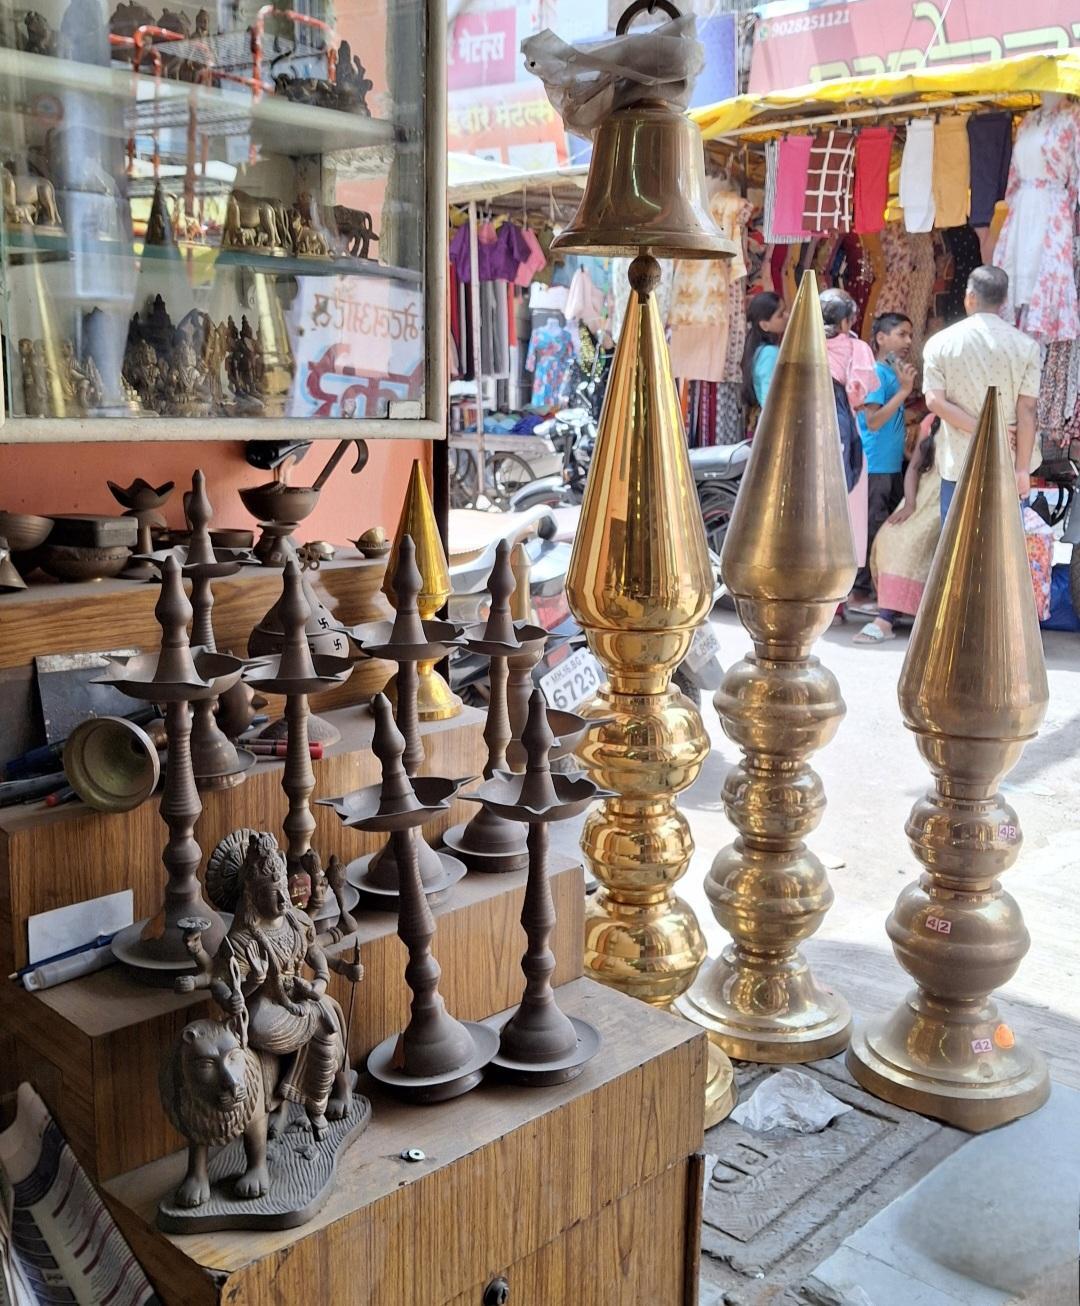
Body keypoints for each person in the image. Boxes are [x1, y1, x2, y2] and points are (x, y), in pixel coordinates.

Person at [922, 265, 1041, 520]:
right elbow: (1027, 411)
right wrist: (1022, 470)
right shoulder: (1026, 347)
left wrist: (980, 428)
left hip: (960, 464)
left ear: (970, 296)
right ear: (1004, 300)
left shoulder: (941, 343)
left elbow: (934, 401)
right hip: (1006, 465)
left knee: (956, 553)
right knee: (1004, 555)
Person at [854, 415, 941, 644]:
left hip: (944, 501)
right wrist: (910, 503)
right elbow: (913, 468)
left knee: (914, 542)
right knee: (890, 536)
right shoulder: (932, 421)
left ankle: (887, 618)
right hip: (921, 498)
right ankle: (891, 609)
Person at [854, 313, 917, 596]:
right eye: (901, 334)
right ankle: (859, 590)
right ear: (881, 338)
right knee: (872, 527)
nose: (908, 341)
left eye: (910, 335)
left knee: (884, 526)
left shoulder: (892, 372)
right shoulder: (876, 372)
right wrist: (904, 392)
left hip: (890, 464)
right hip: (875, 463)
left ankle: (877, 589)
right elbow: (873, 421)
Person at [820, 289, 877, 594]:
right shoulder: (857, 348)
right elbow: (859, 393)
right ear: (846, 321)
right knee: (845, 500)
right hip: (840, 423)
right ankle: (838, 591)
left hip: (805, 423)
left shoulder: (803, 342)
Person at [740, 291, 789, 409]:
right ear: (764, 325)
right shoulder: (769, 353)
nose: (787, 315)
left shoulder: (759, 350)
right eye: (781, 314)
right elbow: (770, 398)